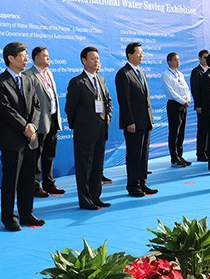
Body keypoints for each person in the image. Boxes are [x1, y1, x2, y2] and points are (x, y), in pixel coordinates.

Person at [0, 41, 44, 231]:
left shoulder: (28, 79)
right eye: (22, 56)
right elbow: (5, 110)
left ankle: (26, 213)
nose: (26, 59)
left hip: (30, 139)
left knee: (28, 179)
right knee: (10, 181)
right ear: (10, 58)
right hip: (11, 140)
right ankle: (9, 217)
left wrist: (33, 125)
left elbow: (37, 106)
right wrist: (25, 126)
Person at [65, 46, 113, 210]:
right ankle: (85, 200)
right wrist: (79, 125)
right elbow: (70, 108)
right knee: (84, 167)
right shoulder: (78, 82)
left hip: (101, 128)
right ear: (84, 61)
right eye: (93, 58)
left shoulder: (101, 80)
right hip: (85, 130)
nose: (96, 61)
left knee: (97, 166)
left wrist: (108, 115)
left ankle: (95, 197)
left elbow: (108, 101)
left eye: (97, 58)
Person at [115, 42, 157, 197]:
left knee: (143, 154)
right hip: (133, 122)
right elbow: (124, 101)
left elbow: (146, 99)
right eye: (139, 53)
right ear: (129, 55)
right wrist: (129, 121)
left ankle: (142, 182)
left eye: (142, 53)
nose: (142, 55)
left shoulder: (141, 73)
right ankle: (133, 185)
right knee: (134, 154)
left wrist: (150, 119)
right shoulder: (123, 73)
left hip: (145, 120)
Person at [24, 46, 65, 197]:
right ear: (36, 58)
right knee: (36, 155)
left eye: (48, 55)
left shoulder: (49, 73)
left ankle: (49, 183)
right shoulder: (28, 75)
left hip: (53, 119)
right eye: (45, 56)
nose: (48, 58)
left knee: (49, 153)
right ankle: (35, 185)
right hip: (39, 122)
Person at [161, 52, 191, 167]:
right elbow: (171, 92)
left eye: (178, 59)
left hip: (184, 105)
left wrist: (188, 100)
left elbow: (186, 89)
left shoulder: (180, 74)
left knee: (181, 132)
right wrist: (183, 101)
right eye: (175, 60)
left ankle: (180, 155)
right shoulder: (166, 75)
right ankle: (174, 158)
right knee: (174, 132)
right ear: (169, 61)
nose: (178, 62)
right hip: (174, 105)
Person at [190, 49, 209, 162]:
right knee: (202, 130)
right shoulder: (196, 71)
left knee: (209, 130)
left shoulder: (209, 71)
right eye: (205, 57)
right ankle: (201, 153)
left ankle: (208, 151)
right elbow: (195, 90)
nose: (207, 60)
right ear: (200, 58)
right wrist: (198, 105)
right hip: (201, 106)